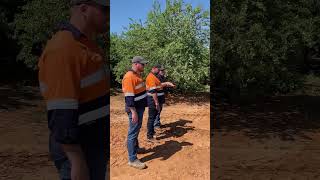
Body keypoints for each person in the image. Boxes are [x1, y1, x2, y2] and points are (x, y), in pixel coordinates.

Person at [38, 0, 109, 179]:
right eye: (105, 9)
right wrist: (76, 161)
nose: (109, 16)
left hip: (92, 145)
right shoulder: (64, 48)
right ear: (84, 9)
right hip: (80, 151)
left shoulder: (86, 45)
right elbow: (61, 113)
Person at [122, 56, 148, 169]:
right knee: (132, 132)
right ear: (136, 64)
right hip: (135, 109)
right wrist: (134, 112)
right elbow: (129, 97)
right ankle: (132, 159)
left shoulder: (137, 75)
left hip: (139, 107)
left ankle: (135, 148)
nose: (144, 66)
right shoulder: (129, 77)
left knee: (136, 129)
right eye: (143, 64)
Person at [146, 64, 175, 141]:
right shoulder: (151, 77)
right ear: (154, 68)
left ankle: (151, 132)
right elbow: (153, 91)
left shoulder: (154, 77)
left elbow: (158, 85)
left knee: (153, 116)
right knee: (151, 118)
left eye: (160, 70)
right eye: (158, 69)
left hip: (155, 99)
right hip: (152, 100)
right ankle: (150, 136)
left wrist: (166, 83)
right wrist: (156, 103)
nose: (160, 71)